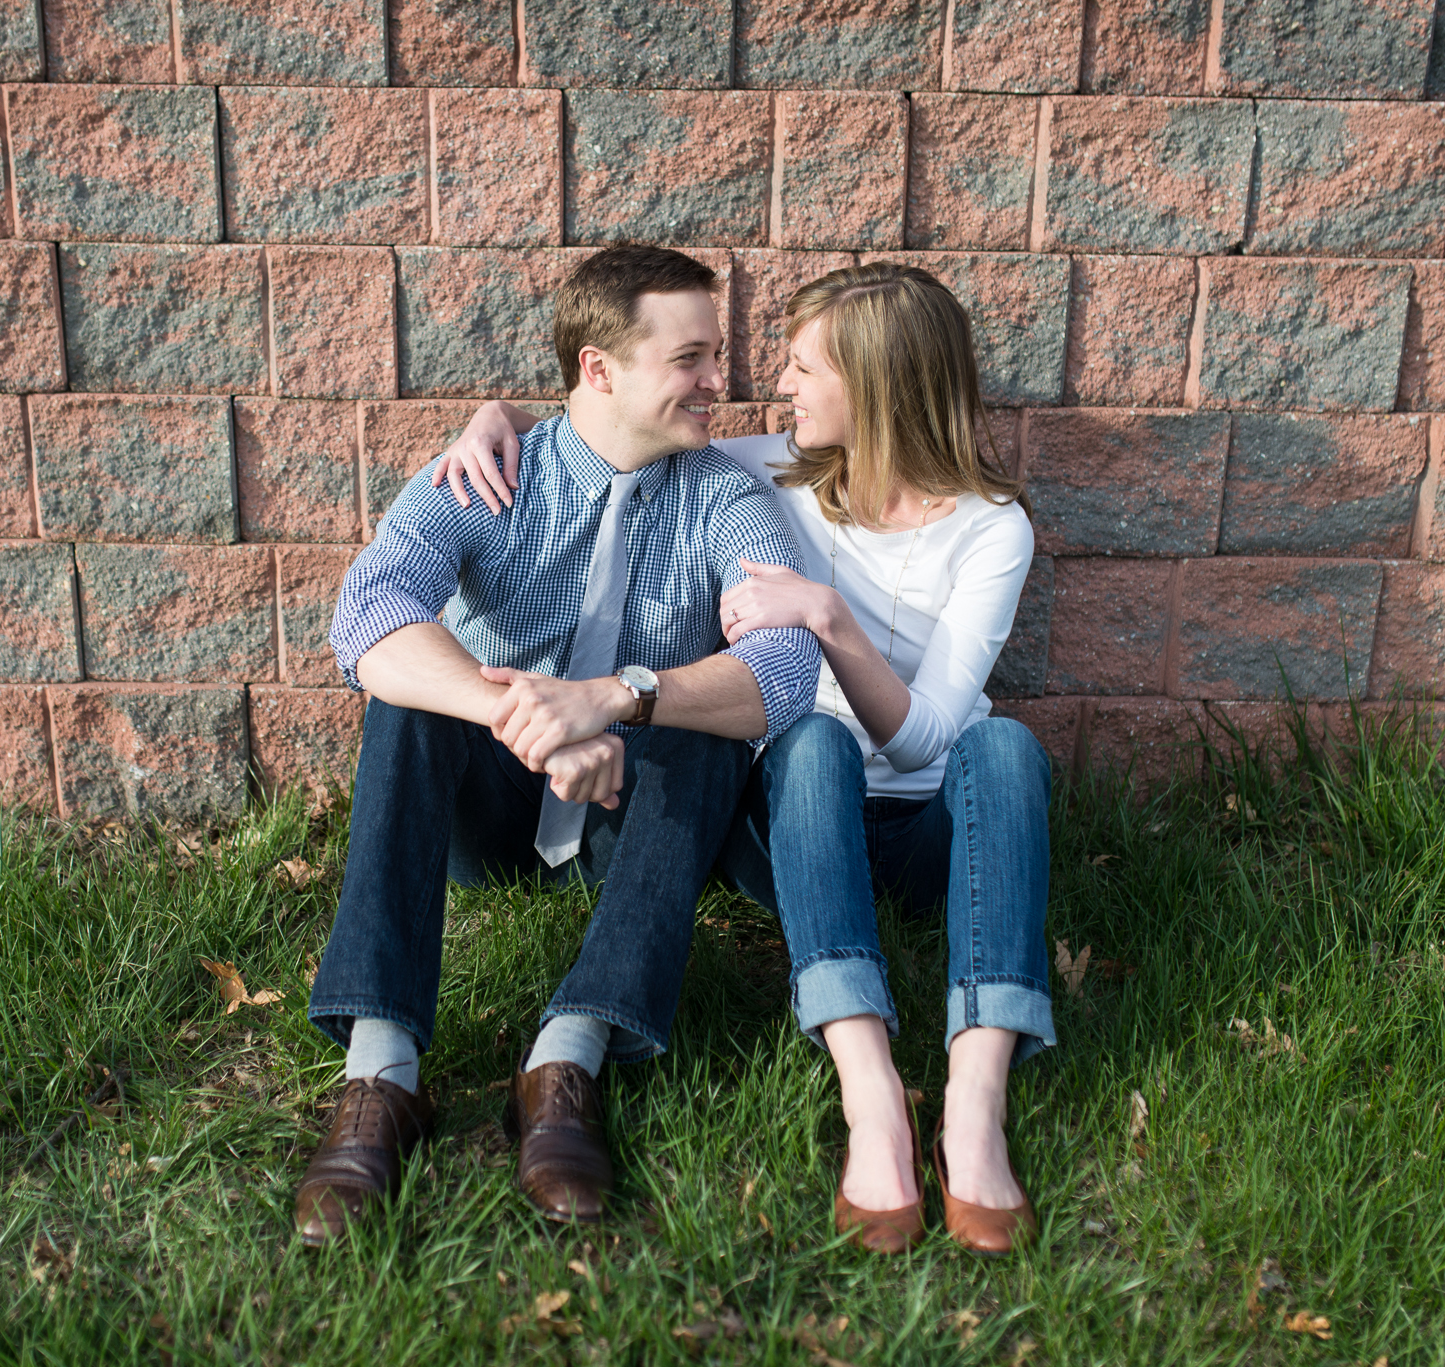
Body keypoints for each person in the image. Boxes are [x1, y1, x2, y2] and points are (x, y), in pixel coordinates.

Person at [433, 262, 1051, 1255]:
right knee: (809, 738)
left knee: (1003, 744)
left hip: (926, 828)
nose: (782, 388)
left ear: (878, 385)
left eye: (804, 369)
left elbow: (925, 734)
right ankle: (872, 1095)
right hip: (793, 834)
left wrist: (829, 620)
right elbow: (614, 421)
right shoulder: (769, 467)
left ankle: (975, 1103)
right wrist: (492, 414)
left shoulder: (990, 530)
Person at [295, 245, 821, 1246]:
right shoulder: (487, 473)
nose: (719, 381)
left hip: (633, 813)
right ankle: (380, 1072)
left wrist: (610, 699)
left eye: (717, 356)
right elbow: (365, 616)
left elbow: (787, 673)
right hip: (487, 807)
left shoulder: (723, 496)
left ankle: (564, 1058)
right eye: (692, 358)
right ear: (598, 369)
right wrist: (525, 718)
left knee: (706, 722)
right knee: (409, 695)